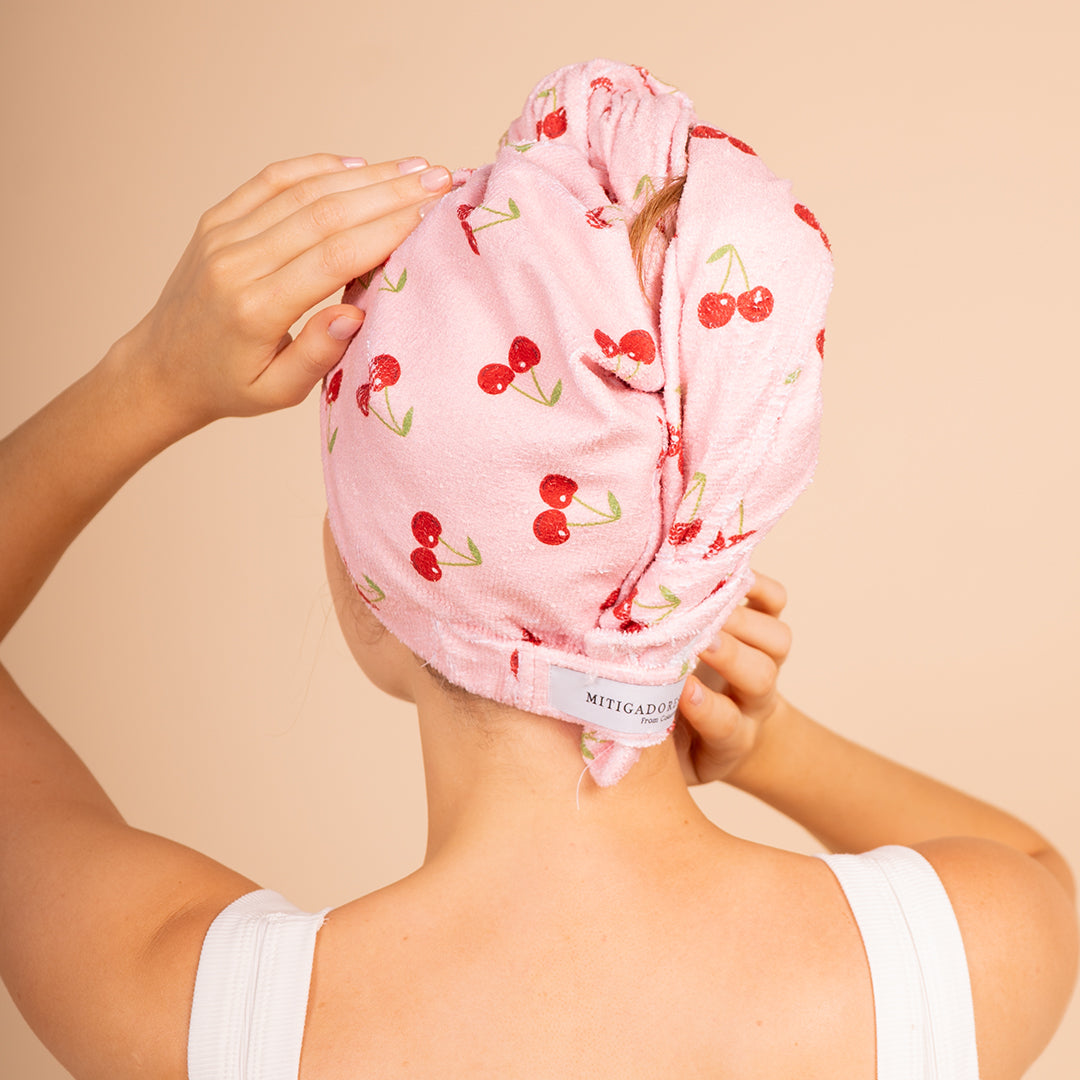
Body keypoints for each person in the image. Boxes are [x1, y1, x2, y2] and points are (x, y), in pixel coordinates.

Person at [1, 60, 1075, 1080]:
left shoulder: (205, 1015)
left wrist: (147, 379)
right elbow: (1036, 871)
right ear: (702, 566)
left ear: (371, 590)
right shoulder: (951, 962)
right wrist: (770, 744)